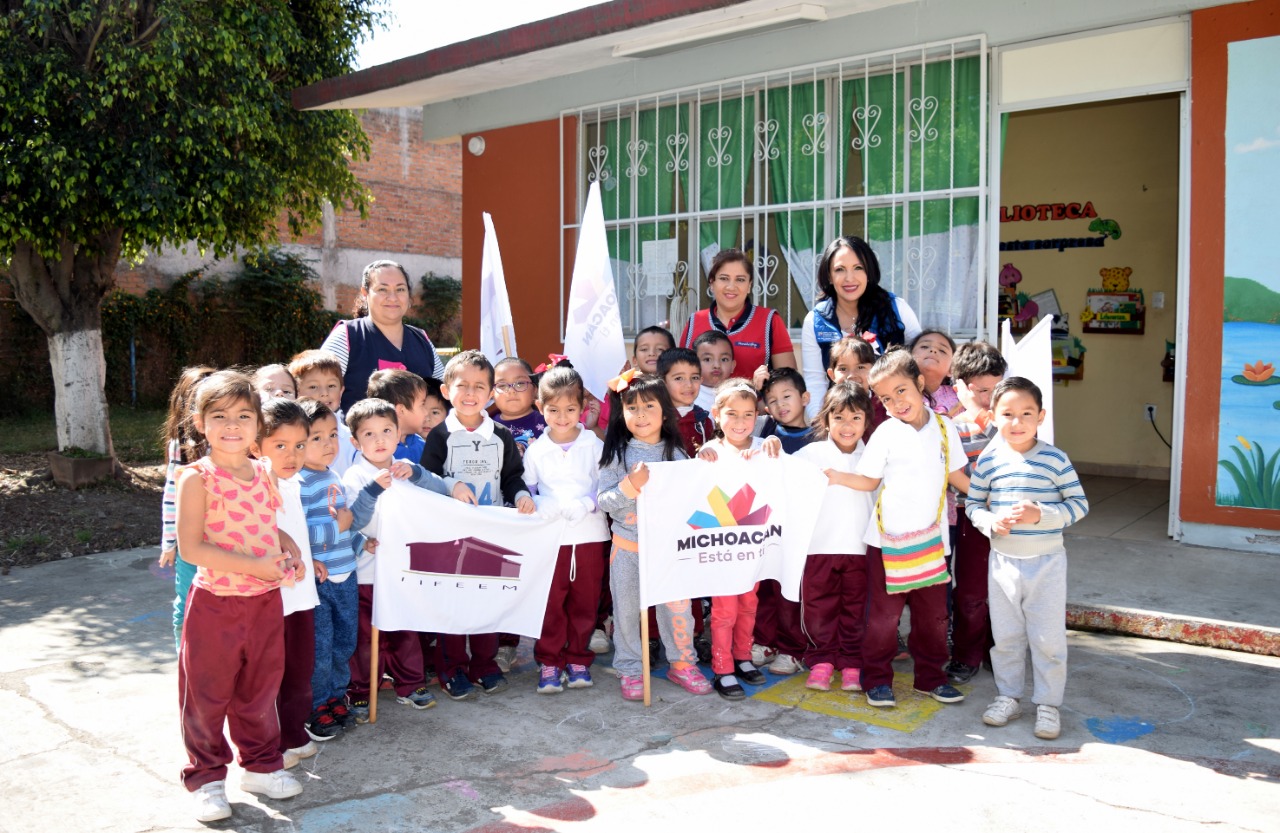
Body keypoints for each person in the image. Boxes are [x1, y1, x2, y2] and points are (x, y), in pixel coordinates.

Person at [174, 371, 304, 822]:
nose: (233, 425)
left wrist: (288, 547)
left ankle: (261, 765)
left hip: (265, 601)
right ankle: (207, 778)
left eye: (244, 416)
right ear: (199, 422)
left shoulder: (263, 470)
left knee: (259, 690)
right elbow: (192, 548)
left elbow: (267, 526)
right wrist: (258, 566)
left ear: (257, 424)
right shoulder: (197, 478)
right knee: (207, 695)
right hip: (217, 604)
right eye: (220, 416)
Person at [844, 348, 969, 708]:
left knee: (933, 618)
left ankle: (930, 678)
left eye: (901, 390)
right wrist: (834, 476)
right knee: (883, 619)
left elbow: (957, 476)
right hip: (886, 544)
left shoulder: (945, 427)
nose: (895, 402)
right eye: (885, 397)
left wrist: (989, 498)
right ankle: (877, 680)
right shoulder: (884, 433)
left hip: (932, 542)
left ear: (918, 383)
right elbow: (869, 481)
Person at [966, 377, 1088, 741]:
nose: (1016, 422)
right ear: (992, 416)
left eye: (1026, 414)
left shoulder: (1055, 458)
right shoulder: (989, 461)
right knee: (1005, 637)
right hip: (1003, 563)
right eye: (1007, 414)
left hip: (1047, 563)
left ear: (1041, 416)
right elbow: (973, 504)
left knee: (1048, 638)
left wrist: (1044, 515)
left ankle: (1048, 705)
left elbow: (1078, 504)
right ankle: (1008, 697)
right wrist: (990, 521)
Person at [422, 350, 536, 700]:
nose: (470, 393)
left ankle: (484, 664)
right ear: (446, 390)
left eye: (480, 387)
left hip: (492, 533)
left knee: (487, 600)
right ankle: (453, 668)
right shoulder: (439, 436)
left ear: (491, 395)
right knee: (455, 603)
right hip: (452, 535)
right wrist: (449, 485)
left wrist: (519, 496)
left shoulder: (500, 435)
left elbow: (512, 477)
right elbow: (426, 478)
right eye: (463, 385)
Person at [597, 371, 711, 700]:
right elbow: (605, 502)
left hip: (670, 553)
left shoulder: (677, 455)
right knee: (628, 611)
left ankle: (683, 664)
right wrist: (629, 487)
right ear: (622, 413)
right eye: (632, 407)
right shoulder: (616, 455)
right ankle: (631, 668)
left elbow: (695, 501)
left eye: (649, 405)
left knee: (677, 611)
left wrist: (702, 466)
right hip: (628, 549)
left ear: (665, 410)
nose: (642, 414)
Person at [341, 397, 449, 720]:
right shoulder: (353, 477)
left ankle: (410, 683)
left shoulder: (405, 469)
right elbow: (352, 522)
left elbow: (440, 492)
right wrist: (363, 540)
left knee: (404, 630)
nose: (379, 440)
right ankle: (361, 689)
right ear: (355, 441)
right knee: (365, 637)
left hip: (400, 571)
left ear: (399, 434)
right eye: (369, 434)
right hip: (366, 574)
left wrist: (416, 474)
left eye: (386, 431)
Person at [523, 366, 610, 693]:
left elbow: (606, 486)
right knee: (550, 601)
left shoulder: (593, 445)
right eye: (553, 410)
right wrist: (539, 502)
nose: (562, 417)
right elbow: (528, 490)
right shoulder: (535, 450)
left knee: (585, 602)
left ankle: (577, 658)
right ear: (540, 407)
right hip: (550, 539)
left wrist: (588, 503)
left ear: (582, 409)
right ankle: (548, 661)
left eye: (570, 409)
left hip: (588, 534)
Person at [695, 378, 781, 699]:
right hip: (720, 548)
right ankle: (723, 667)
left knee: (748, 605)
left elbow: (781, 470)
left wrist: (772, 445)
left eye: (748, 414)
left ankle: (743, 657)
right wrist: (703, 457)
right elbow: (697, 489)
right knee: (724, 611)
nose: (741, 422)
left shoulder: (763, 447)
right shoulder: (710, 452)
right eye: (732, 414)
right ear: (717, 414)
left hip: (752, 547)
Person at [794, 382, 876, 692]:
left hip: (861, 548)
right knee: (818, 610)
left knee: (856, 610)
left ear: (866, 422)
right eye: (839, 417)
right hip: (818, 548)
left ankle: (851, 663)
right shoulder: (809, 454)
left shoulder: (874, 457)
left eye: (856, 418)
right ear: (826, 419)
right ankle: (821, 661)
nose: (847, 425)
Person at [254, 399, 320, 771]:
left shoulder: (295, 482)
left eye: (299, 445)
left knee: (299, 668)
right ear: (256, 446)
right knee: (269, 675)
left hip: (302, 595)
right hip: (270, 598)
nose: (292, 454)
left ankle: (293, 733)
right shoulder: (254, 484)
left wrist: (315, 561)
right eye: (280, 445)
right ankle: (271, 744)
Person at [295, 398, 360, 741]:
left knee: (344, 641)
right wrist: (339, 528)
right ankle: (316, 704)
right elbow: (297, 533)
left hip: (345, 572)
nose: (328, 444)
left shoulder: (334, 475)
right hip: (318, 580)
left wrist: (360, 543)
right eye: (316, 437)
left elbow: (347, 523)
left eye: (332, 435)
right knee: (319, 647)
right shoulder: (298, 483)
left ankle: (336, 696)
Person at [801, 236, 923, 417]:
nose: (849, 278)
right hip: (844, 422)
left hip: (896, 418)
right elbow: (815, 382)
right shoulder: (815, 321)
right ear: (829, 276)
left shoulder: (896, 308)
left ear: (869, 271)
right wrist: (823, 426)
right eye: (840, 269)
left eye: (858, 268)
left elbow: (919, 361)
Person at [945, 341, 1008, 685]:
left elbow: (1013, 447)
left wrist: (985, 413)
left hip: (1009, 519)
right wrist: (970, 409)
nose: (989, 399)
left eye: (996, 389)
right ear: (962, 387)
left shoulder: (1010, 422)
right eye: (980, 391)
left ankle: (995, 649)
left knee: (1008, 589)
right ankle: (966, 654)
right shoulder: (953, 426)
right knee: (971, 592)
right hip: (971, 518)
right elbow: (956, 479)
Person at [320, 259, 445, 414]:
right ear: (365, 293)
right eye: (382, 289)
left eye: (400, 289)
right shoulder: (347, 335)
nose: (392, 297)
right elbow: (317, 390)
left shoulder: (422, 340)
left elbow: (444, 394)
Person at [158, 364, 215, 653]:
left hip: (223, 537)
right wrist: (170, 541)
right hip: (190, 541)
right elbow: (172, 492)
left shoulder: (236, 437)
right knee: (187, 599)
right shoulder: (179, 444)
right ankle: (185, 658)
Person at [679, 248, 796, 386]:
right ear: (712, 283)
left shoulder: (769, 321)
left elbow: (788, 382)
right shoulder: (695, 321)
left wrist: (755, 387)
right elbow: (680, 375)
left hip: (753, 406)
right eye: (724, 278)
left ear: (749, 285)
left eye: (740, 279)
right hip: (702, 406)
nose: (731, 286)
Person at [289, 349, 357, 476]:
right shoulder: (290, 437)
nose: (324, 393)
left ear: (341, 391)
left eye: (331, 386)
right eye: (313, 387)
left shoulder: (352, 439)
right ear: (297, 392)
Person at [825, 335, 885, 439]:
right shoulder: (829, 406)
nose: (852, 375)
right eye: (843, 369)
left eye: (860, 367)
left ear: (874, 371)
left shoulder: (885, 406)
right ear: (832, 375)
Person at [658, 347, 715, 457]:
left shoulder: (704, 420)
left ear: (701, 380)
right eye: (679, 378)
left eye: (694, 377)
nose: (689, 385)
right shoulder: (656, 418)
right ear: (662, 381)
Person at [759, 368, 814, 454]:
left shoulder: (820, 437)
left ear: (804, 398)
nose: (780, 404)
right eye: (773, 401)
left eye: (786, 396)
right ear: (768, 410)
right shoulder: (765, 428)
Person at [911, 330, 962, 418]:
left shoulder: (960, 396)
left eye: (942, 350)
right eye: (924, 346)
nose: (933, 350)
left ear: (951, 369)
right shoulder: (899, 392)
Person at [693, 330, 735, 412]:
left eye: (724, 359)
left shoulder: (738, 394)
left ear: (733, 366)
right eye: (707, 359)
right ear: (694, 363)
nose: (717, 365)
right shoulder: (687, 394)